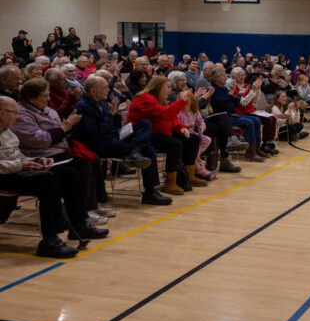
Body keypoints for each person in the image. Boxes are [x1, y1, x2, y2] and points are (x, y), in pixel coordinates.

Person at [0, 96, 106, 258]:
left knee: (68, 174)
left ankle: (78, 224)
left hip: (14, 170)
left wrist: (36, 160)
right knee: (48, 182)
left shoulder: (7, 131)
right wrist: (21, 165)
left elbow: (17, 155)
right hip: (4, 176)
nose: (17, 116)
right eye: (15, 113)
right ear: (2, 113)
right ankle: (49, 241)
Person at [75, 76, 172, 206]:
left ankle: (135, 153)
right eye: (104, 88)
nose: (108, 90)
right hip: (101, 144)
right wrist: (111, 114)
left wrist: (116, 114)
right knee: (148, 150)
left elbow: (113, 125)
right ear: (93, 91)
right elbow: (95, 134)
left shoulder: (101, 102)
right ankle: (150, 192)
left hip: (114, 136)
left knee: (144, 124)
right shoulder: (83, 106)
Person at [127, 76, 207, 195]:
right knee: (175, 144)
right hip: (145, 135)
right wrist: (181, 101)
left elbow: (172, 118)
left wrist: (182, 127)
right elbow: (164, 114)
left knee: (193, 139)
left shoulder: (158, 99)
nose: (170, 91)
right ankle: (170, 183)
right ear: (158, 87)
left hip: (161, 132)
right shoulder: (144, 98)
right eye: (167, 87)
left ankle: (189, 175)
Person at [209, 66, 266, 162]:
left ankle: (257, 149)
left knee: (256, 120)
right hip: (223, 118)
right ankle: (250, 153)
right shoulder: (213, 89)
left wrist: (239, 95)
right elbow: (221, 104)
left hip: (232, 114)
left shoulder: (223, 88)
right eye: (223, 75)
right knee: (249, 122)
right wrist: (232, 93)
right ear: (215, 77)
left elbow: (233, 103)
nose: (226, 78)